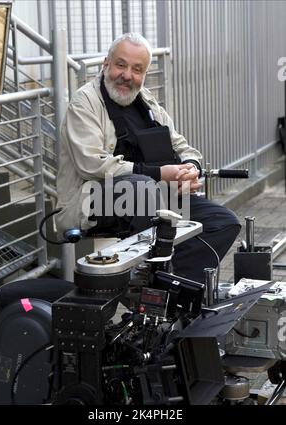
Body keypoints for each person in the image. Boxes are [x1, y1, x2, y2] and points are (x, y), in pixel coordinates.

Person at [56, 32, 241, 284]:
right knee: (142, 188)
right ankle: (159, 276)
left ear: (144, 74)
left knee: (223, 222)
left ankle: (172, 287)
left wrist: (190, 169)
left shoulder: (147, 102)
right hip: (93, 199)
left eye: (137, 69)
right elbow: (93, 165)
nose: (127, 75)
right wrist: (162, 174)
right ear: (106, 64)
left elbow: (182, 145)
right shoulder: (84, 103)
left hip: (153, 198)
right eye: (121, 65)